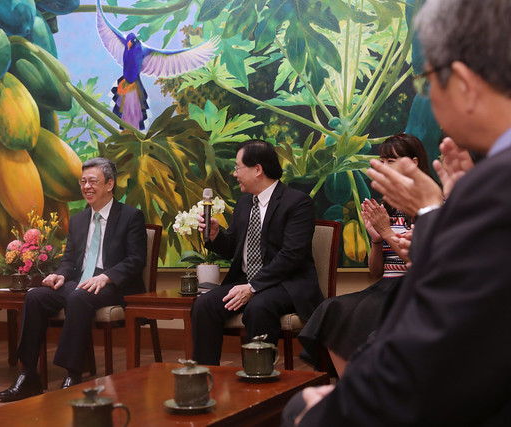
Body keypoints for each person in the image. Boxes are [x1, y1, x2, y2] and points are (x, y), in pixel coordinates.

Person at [283, 0, 511, 424]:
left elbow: (443, 333)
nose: (428, 99)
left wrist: (432, 211)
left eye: (425, 83)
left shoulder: (496, 184)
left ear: (463, 82)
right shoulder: (489, 181)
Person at [0, 157, 146, 401]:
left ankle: (72, 374)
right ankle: (28, 374)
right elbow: (69, 259)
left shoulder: (131, 216)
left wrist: (106, 277)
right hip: (80, 282)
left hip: (114, 285)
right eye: (83, 181)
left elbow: (135, 260)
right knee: (35, 297)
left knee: (78, 297)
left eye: (92, 181)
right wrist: (60, 274)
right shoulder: (78, 220)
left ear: (109, 184)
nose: (86, 187)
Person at [298, 133, 432, 377]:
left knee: (366, 319)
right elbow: (376, 271)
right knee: (331, 310)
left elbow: (423, 263)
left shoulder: (429, 206)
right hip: (384, 286)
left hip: (411, 289)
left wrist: (387, 232)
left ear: (413, 163)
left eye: (391, 162)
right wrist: (376, 240)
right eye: (382, 161)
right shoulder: (387, 207)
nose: (383, 167)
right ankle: (349, 387)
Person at [191, 139, 321, 365]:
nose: (234, 174)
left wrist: (253, 287)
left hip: (285, 284)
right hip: (245, 281)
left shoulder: (297, 203)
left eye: (238, 167)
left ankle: (259, 376)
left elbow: (291, 255)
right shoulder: (244, 204)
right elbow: (232, 248)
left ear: (258, 169)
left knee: (258, 307)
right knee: (203, 305)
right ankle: (205, 374)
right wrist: (216, 236)